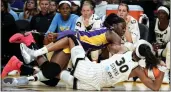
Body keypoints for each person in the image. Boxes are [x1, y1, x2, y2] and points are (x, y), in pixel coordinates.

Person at [2, 13, 126, 87]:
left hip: (75, 44)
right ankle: (32, 47)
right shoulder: (112, 34)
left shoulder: (107, 33)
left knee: (52, 80)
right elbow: (120, 50)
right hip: (74, 40)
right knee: (51, 71)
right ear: (113, 26)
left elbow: (107, 53)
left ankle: (19, 64)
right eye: (123, 27)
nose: (125, 30)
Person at [2, 38, 167, 91]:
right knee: (54, 76)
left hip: (87, 68)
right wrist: (160, 70)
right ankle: (24, 75)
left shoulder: (124, 49)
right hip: (91, 85)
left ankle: (33, 51)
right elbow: (155, 87)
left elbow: (109, 44)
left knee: (71, 38)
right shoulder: (137, 70)